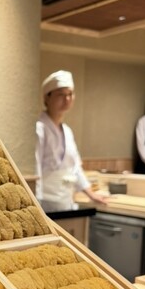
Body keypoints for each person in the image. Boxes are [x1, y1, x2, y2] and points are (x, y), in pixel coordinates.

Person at [35, 70, 106, 213]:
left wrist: (91, 194)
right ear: (47, 97)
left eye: (70, 94)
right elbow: (35, 168)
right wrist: (35, 203)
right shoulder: (39, 129)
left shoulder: (67, 131)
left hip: (65, 199)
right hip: (44, 201)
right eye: (61, 94)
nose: (67, 99)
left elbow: (75, 167)